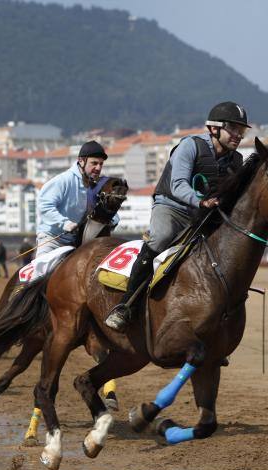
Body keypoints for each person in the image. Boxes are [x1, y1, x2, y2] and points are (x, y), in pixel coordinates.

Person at [105, 101, 250, 332]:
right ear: (214, 128)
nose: (238, 135)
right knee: (160, 238)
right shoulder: (190, 146)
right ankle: (125, 306)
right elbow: (179, 184)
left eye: (241, 131)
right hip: (172, 207)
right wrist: (201, 201)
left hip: (203, 214)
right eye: (233, 128)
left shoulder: (236, 160)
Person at [35, 140, 118, 257]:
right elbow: (44, 206)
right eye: (94, 163)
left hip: (79, 243)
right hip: (53, 240)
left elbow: (107, 210)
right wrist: (65, 223)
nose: (98, 168)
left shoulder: (98, 186)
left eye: (101, 164)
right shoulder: (63, 181)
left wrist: (113, 219)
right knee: (40, 275)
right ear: (81, 161)